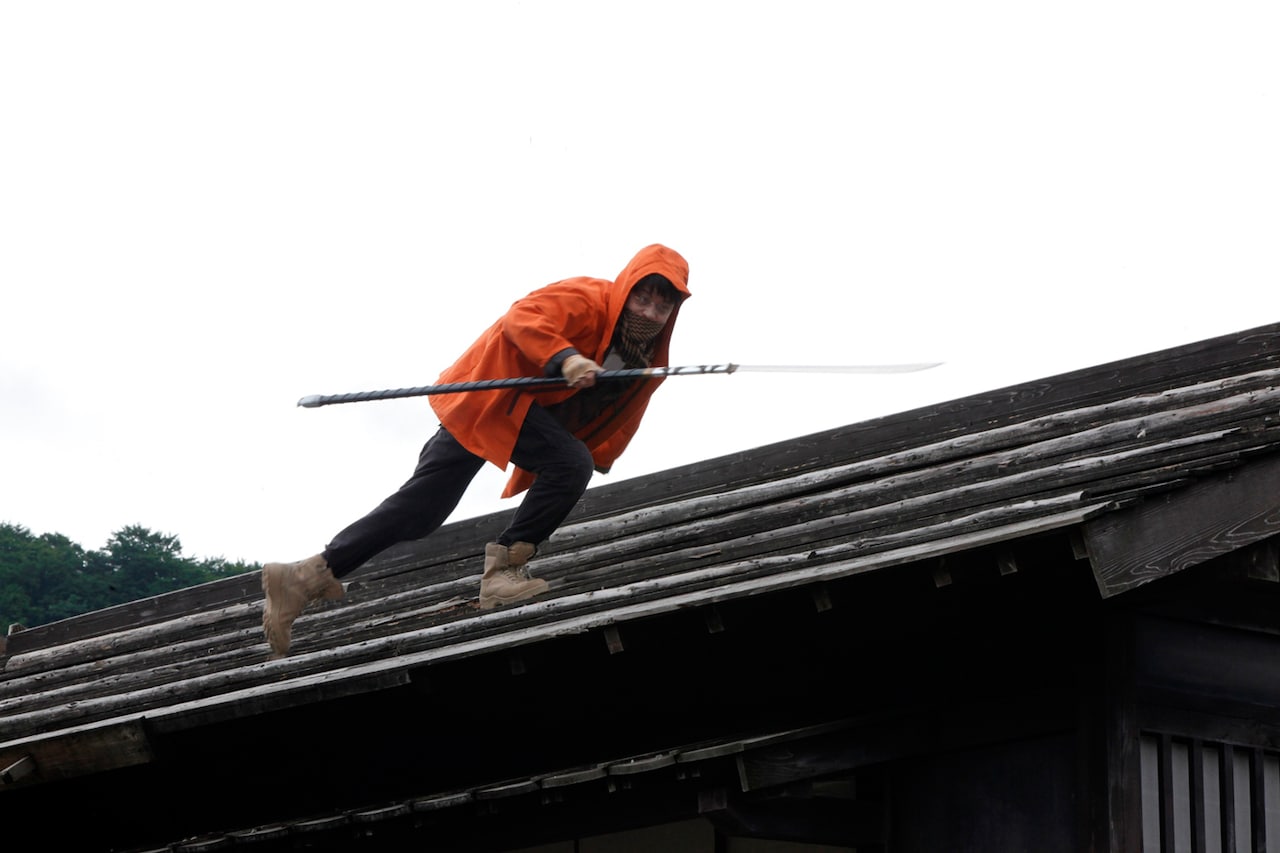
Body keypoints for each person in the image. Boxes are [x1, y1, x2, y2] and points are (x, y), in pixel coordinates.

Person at [261, 244, 691, 658]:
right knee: (446, 503)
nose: (647, 313)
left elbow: (624, 406)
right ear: (628, 286)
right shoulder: (586, 297)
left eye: (661, 306)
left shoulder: (648, 358)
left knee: (443, 504)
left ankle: (304, 578)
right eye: (642, 297)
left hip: (529, 415)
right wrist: (565, 358)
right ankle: (497, 570)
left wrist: (601, 454)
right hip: (492, 394)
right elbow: (522, 318)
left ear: (673, 312)